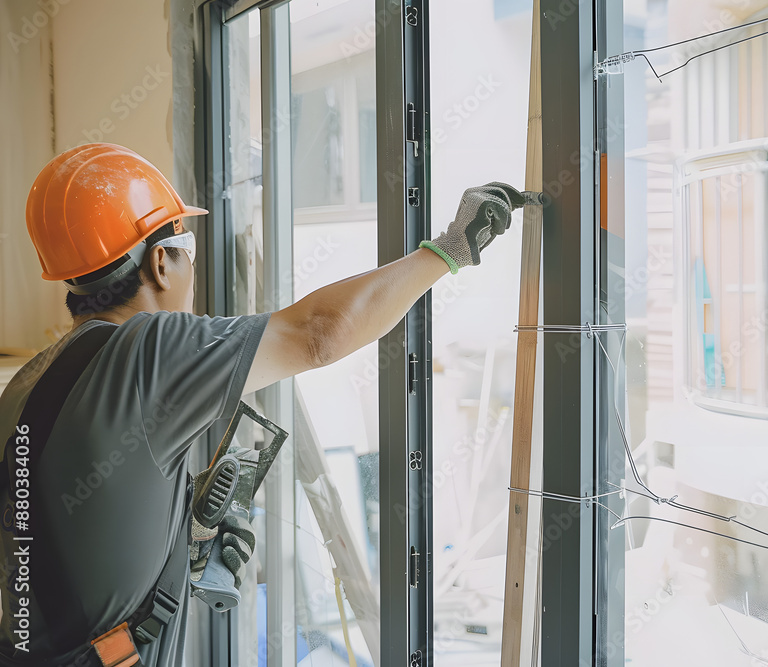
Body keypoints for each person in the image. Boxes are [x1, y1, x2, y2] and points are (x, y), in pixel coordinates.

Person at [0, 143, 524, 666]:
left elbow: (44, 537)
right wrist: (452, 248)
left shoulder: (24, 385)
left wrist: (179, 530)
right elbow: (318, 334)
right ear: (160, 262)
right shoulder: (150, 349)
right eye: (188, 249)